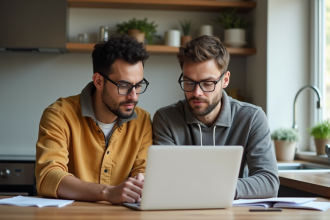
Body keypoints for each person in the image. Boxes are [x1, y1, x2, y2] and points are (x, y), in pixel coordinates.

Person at [152, 35, 279, 199]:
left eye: (207, 83)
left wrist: (216, 189)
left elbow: (269, 182)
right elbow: (166, 181)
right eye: (189, 82)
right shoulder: (166, 119)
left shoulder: (252, 117)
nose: (197, 92)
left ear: (225, 80)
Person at [35, 34, 153, 204]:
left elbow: (144, 176)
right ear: (98, 82)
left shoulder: (142, 121)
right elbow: (48, 177)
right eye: (124, 86)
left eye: (138, 85)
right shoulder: (59, 115)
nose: (133, 96)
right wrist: (107, 192)